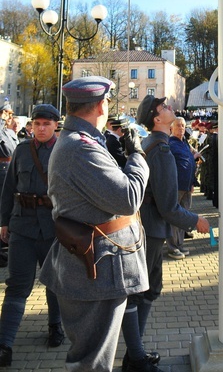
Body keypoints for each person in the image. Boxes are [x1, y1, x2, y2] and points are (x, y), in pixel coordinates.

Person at [39, 76, 150, 372]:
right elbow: (128, 197)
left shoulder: (81, 141)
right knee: (92, 362)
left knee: (92, 357)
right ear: (101, 105)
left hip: (95, 267)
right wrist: (138, 155)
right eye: (108, 102)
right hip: (96, 271)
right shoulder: (80, 148)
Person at [121, 95, 210, 372]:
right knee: (137, 292)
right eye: (164, 107)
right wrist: (196, 220)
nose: (170, 107)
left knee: (150, 289)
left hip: (148, 229)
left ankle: (136, 354)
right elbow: (169, 206)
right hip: (149, 230)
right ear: (156, 118)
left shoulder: (154, 144)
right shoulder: (159, 150)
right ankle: (135, 359)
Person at [0, 104, 65, 367]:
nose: (40, 128)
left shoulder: (65, 151)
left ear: (55, 126)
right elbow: (8, 188)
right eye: (36, 124)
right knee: (17, 285)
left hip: (53, 229)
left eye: (46, 124)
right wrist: (3, 222)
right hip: (23, 227)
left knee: (54, 284)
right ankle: (4, 344)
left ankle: (55, 326)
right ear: (31, 126)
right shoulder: (22, 150)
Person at [166, 116, 200, 258]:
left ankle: (179, 244)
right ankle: (172, 247)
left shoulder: (185, 143)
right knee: (175, 218)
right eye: (178, 125)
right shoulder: (170, 143)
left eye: (183, 126)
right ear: (171, 128)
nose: (181, 128)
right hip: (176, 186)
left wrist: (192, 182)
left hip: (186, 186)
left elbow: (190, 164)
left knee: (183, 218)